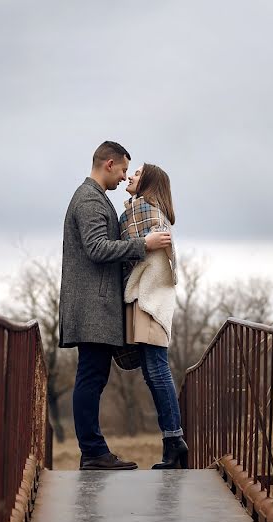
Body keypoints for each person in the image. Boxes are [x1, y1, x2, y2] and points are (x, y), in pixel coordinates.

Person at [59, 141, 172, 470]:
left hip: (95, 306)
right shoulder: (90, 199)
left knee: (93, 377)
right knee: (91, 378)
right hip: (92, 308)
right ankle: (93, 452)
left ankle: (93, 451)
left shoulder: (95, 198)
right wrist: (143, 244)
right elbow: (96, 248)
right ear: (109, 164)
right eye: (123, 169)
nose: (125, 177)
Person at [120, 163, 188, 469]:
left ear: (148, 182)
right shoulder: (143, 210)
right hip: (149, 299)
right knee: (152, 371)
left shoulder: (144, 211)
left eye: (136, 174)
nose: (130, 177)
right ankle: (172, 445)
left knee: (157, 371)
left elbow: (128, 247)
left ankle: (175, 442)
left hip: (149, 299)